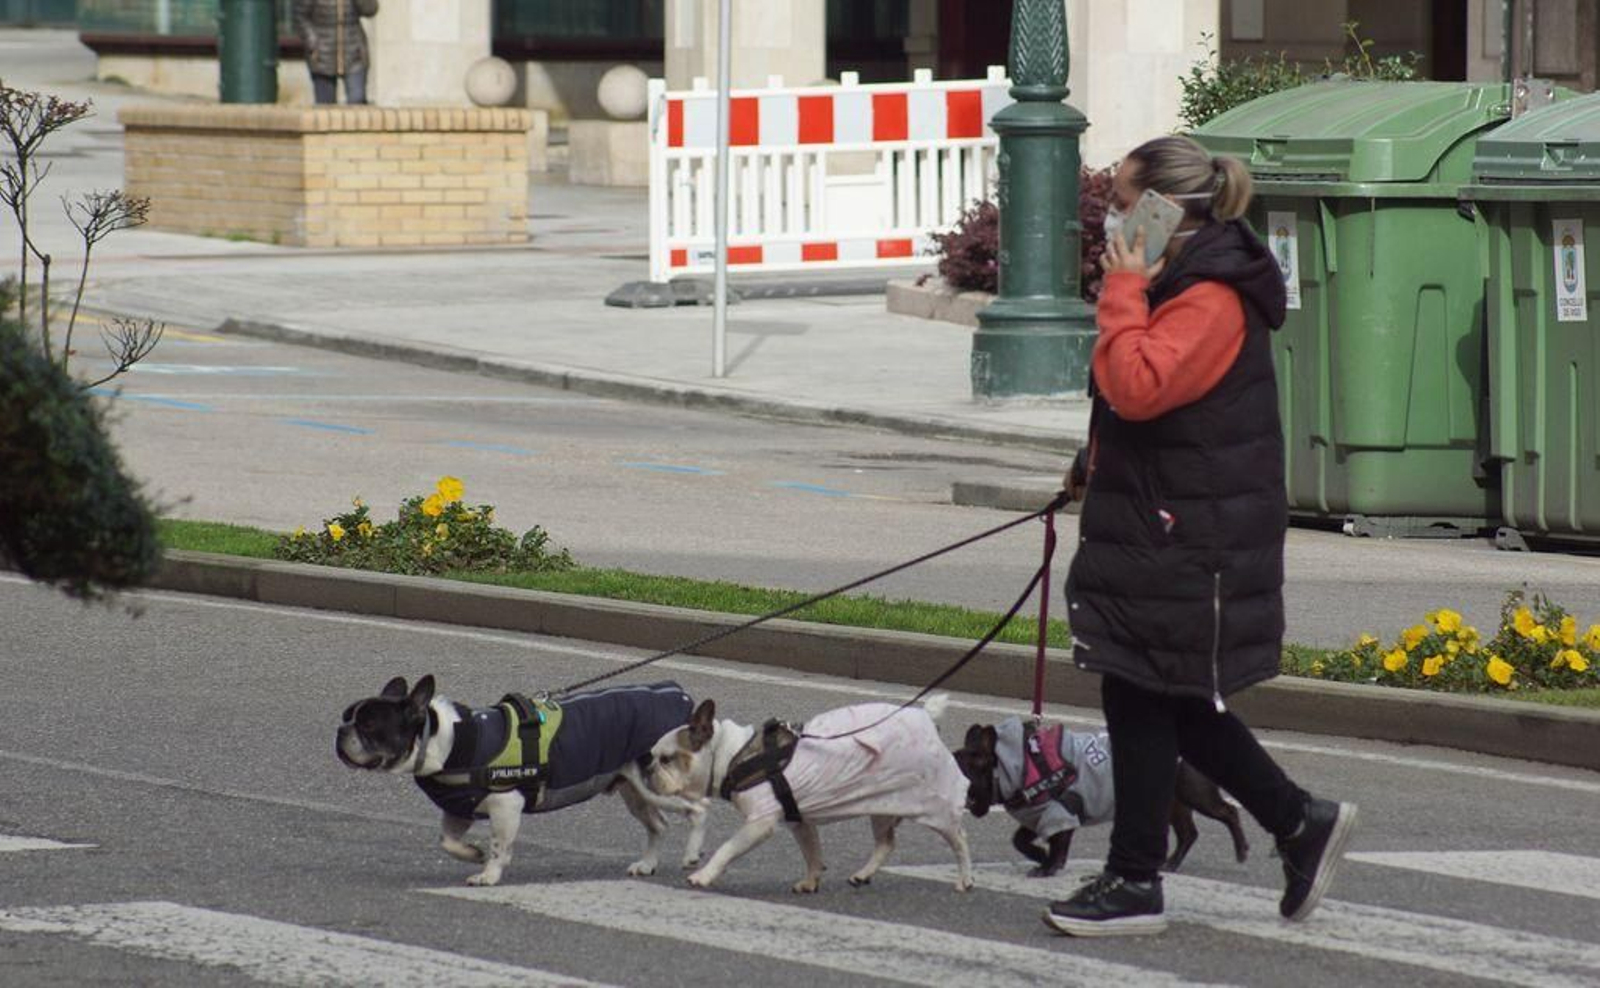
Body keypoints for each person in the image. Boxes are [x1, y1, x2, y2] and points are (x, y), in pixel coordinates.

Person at [1045, 135, 1357, 937]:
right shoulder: (1184, 278)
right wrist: (1097, 458)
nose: (1110, 218)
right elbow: (1156, 406)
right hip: (1167, 518)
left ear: (1164, 212)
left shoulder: (1209, 295)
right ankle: (1295, 822)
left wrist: (1121, 287)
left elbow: (1141, 386)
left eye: (1122, 202)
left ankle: (1136, 879)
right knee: (1157, 692)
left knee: (1147, 691)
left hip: (1189, 533)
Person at [294, 0, 379, 105]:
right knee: (325, 108)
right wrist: (313, 41)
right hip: (322, 55)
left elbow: (371, 10)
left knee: (357, 101)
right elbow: (300, 15)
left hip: (354, 52)